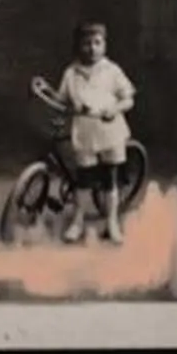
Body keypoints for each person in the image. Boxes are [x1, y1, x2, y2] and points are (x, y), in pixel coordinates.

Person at [51, 20, 136, 244]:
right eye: (86, 43)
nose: (92, 48)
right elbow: (62, 101)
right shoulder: (71, 73)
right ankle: (78, 221)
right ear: (79, 46)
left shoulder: (112, 70)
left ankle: (111, 222)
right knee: (83, 179)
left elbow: (128, 99)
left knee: (110, 178)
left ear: (104, 45)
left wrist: (114, 109)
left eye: (97, 42)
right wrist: (64, 111)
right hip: (85, 131)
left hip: (110, 130)